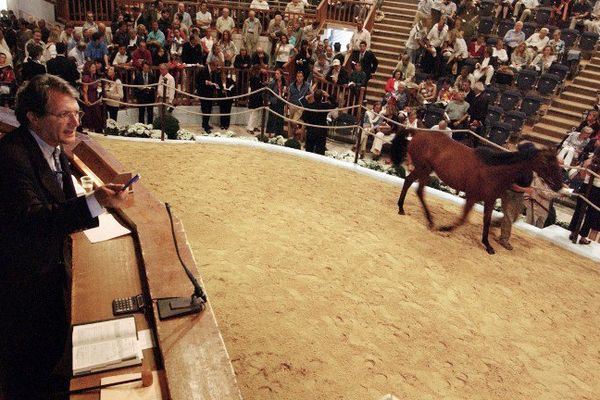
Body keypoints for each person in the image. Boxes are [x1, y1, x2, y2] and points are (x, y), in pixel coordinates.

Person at [0, 74, 129, 400]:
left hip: (50, 273)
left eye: (77, 113)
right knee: (29, 371)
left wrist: (96, 193)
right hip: (24, 286)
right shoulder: (11, 157)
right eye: (63, 114)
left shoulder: (52, 145)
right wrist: (94, 202)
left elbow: (62, 192)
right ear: (32, 117)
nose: (74, 121)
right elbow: (34, 220)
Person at [497, 155, 535, 250]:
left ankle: (496, 222)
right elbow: (511, 185)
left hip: (520, 195)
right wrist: (525, 190)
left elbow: (528, 184)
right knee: (509, 216)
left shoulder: (530, 172)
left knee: (515, 217)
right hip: (509, 193)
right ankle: (504, 239)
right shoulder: (516, 169)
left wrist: (527, 191)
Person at [568, 143, 600, 244]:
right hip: (596, 190)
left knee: (579, 210)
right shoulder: (591, 161)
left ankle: (574, 232)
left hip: (586, 187)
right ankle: (582, 236)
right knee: (590, 213)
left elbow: (582, 176)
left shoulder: (589, 161)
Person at [301, 89, 337, 154]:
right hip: (321, 130)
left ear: (314, 97)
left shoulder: (309, 106)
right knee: (320, 151)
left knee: (309, 151)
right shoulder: (325, 106)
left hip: (311, 130)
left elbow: (304, 117)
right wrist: (328, 96)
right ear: (322, 98)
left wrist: (309, 96)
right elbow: (335, 104)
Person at [80, 61, 103, 133]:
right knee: (90, 117)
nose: (94, 69)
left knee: (97, 117)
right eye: (92, 67)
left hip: (95, 98)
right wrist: (86, 101)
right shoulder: (86, 77)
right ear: (88, 68)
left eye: (95, 67)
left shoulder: (94, 76)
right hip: (89, 99)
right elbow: (85, 90)